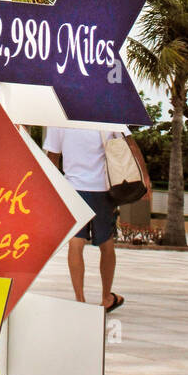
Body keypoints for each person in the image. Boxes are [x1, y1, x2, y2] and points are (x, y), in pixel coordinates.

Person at [45, 125, 151, 311]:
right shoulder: (107, 113)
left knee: (76, 244)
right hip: (103, 189)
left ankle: (80, 301)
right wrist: (145, 179)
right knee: (107, 244)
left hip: (73, 189)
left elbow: (52, 156)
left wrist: (52, 189)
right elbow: (131, 146)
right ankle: (106, 297)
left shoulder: (58, 117)